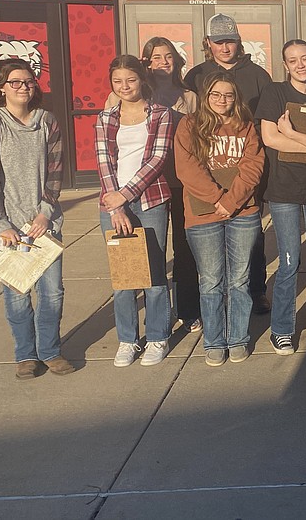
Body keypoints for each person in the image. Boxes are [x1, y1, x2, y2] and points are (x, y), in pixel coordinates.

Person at [0, 58, 74, 379]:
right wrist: (0, 225)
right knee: (17, 293)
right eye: (15, 82)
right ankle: (26, 355)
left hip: (43, 221)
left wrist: (45, 213)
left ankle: (50, 351)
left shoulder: (47, 121)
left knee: (52, 291)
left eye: (29, 82)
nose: (23, 87)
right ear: (1, 88)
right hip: (5, 224)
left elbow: (56, 170)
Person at [183, 13, 273, 316]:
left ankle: (256, 291)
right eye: (219, 41)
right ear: (208, 43)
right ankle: (205, 300)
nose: (225, 47)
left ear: (238, 42)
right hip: (207, 172)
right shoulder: (195, 76)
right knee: (206, 249)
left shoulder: (259, 75)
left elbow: (265, 125)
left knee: (252, 239)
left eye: (230, 41)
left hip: (246, 170)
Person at [175, 71, 265, 367]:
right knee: (211, 281)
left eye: (228, 95)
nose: (222, 100)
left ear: (235, 98)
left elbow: (253, 166)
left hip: (243, 212)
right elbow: (187, 169)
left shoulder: (246, 126)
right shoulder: (189, 126)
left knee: (240, 280)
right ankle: (214, 341)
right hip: (202, 215)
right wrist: (217, 198)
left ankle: (238, 338)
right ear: (205, 96)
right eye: (215, 94)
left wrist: (231, 201)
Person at [255, 40, 306, 354]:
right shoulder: (275, 93)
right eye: (293, 60)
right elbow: (269, 138)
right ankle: (282, 329)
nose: (300, 65)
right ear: (285, 65)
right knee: (289, 260)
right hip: (284, 190)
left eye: (305, 58)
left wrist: (292, 134)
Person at [96, 55, 175, 367]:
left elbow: (157, 158)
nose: (124, 86)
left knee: (155, 274)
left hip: (151, 200)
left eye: (130, 79)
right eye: (117, 81)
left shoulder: (161, 115)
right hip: (112, 204)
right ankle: (128, 339)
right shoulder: (105, 119)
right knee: (124, 276)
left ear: (142, 79)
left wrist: (124, 195)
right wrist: (115, 205)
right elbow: (103, 162)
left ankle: (158, 336)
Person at [141, 37, 200, 332]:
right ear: (146, 63)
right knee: (149, 250)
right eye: (155, 57)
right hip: (145, 184)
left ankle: (188, 309)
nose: (163, 62)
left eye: (168, 57)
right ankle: (155, 319)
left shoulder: (189, 97)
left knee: (184, 247)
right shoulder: (134, 94)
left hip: (179, 182)